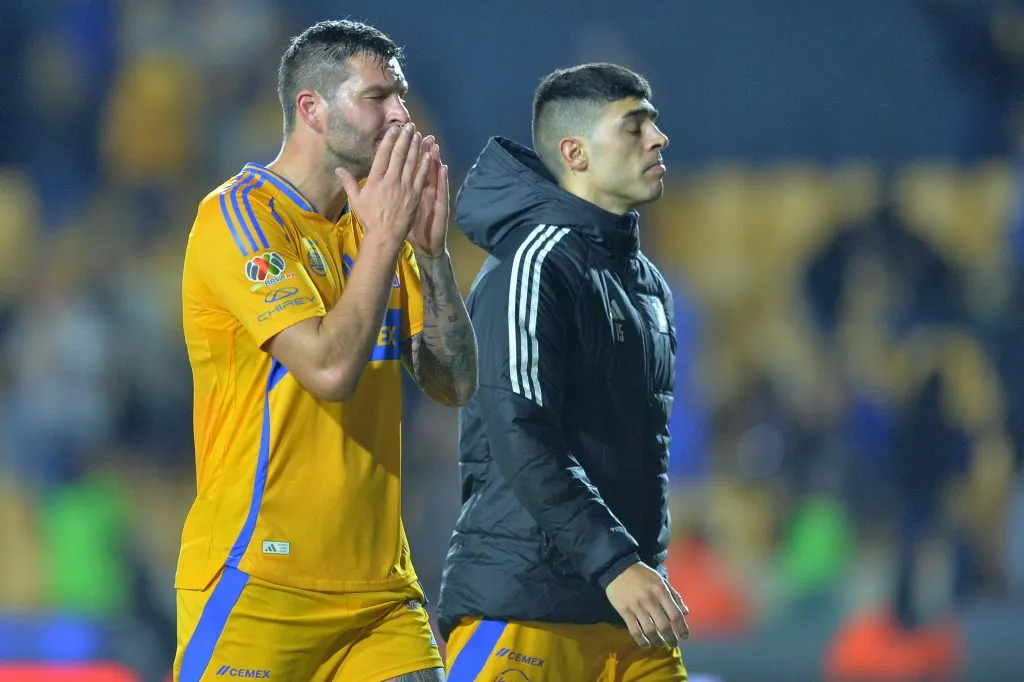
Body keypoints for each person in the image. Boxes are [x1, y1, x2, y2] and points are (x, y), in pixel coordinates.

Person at [173, 20, 477, 682]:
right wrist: (386, 239)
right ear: (311, 108)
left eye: (400, 96)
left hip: (380, 593)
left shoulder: (374, 229)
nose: (400, 115)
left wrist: (431, 255)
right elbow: (330, 369)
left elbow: (453, 384)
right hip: (260, 580)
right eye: (377, 97)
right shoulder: (237, 219)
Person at [437, 63, 690, 681]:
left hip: (627, 612)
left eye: (654, 123)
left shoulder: (647, 284)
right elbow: (520, 433)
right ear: (575, 153)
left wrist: (627, 566)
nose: (658, 138)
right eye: (634, 126)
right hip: (529, 609)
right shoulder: (533, 264)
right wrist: (614, 563)